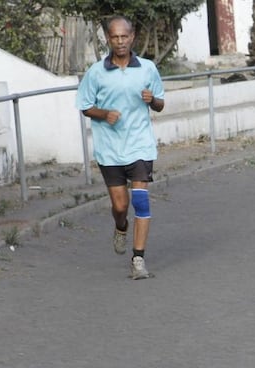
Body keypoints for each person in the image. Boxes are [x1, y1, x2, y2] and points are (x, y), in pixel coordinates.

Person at [75, 15, 165, 280]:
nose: (120, 41)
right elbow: (85, 106)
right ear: (108, 39)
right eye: (115, 37)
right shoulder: (96, 72)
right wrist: (104, 114)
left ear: (132, 36)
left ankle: (138, 260)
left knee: (140, 200)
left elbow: (160, 103)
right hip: (110, 149)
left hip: (140, 145)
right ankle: (120, 226)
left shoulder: (147, 68)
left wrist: (152, 101)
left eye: (124, 36)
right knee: (120, 205)